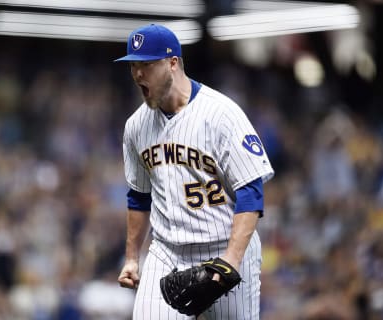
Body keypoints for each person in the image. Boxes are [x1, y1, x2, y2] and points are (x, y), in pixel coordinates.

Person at [115, 23, 274, 319]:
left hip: (224, 249)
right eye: (133, 65)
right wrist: (132, 258)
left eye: (146, 65)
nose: (138, 74)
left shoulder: (221, 114)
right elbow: (138, 196)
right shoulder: (136, 126)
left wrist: (231, 261)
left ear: (173, 63)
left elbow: (250, 193)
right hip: (167, 253)